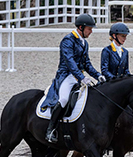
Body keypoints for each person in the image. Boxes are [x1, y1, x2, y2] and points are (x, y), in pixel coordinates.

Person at [44, 14, 104, 143]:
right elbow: (70, 62)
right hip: (66, 76)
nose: (91, 31)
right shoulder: (68, 41)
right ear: (81, 27)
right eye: (89, 29)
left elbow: (87, 63)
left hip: (78, 76)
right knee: (64, 99)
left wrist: (98, 75)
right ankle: (51, 129)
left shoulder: (84, 43)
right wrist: (81, 77)